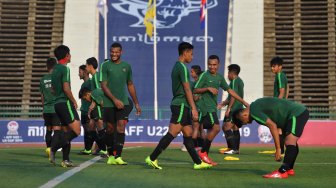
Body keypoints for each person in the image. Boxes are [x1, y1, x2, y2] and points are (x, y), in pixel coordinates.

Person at [145, 42, 212, 170]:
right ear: (185, 52)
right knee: (172, 133)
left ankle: (198, 163)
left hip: (182, 104)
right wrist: (193, 108)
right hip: (181, 104)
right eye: (191, 54)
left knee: (188, 134)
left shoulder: (177, 66)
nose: (192, 57)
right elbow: (187, 89)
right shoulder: (182, 68)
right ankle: (152, 158)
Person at [231, 97, 309, 178]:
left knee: (290, 142)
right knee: (291, 142)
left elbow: (272, 125)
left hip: (296, 113)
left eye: (243, 122)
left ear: (244, 115)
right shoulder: (255, 106)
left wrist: (278, 149)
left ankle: (282, 171)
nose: (247, 123)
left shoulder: (254, 111)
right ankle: (289, 168)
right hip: (295, 114)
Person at [193, 55, 249, 165]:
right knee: (216, 128)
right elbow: (195, 89)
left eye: (214, 65)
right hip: (205, 108)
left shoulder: (219, 77)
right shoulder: (204, 75)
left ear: (218, 65)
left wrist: (244, 102)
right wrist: (208, 88)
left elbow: (231, 92)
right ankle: (202, 151)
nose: (212, 67)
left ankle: (203, 155)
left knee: (208, 129)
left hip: (212, 108)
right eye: (210, 64)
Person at [100, 42, 141, 165]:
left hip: (122, 102)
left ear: (121, 52)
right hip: (108, 102)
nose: (114, 54)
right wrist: (114, 100)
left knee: (121, 126)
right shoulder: (105, 66)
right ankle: (110, 154)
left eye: (117, 52)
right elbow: (103, 85)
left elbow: (130, 85)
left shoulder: (127, 66)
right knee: (110, 129)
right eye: (112, 52)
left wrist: (136, 103)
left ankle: (118, 156)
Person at [50, 45, 81, 167]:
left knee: (66, 131)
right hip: (64, 102)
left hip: (57, 104)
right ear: (67, 55)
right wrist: (73, 100)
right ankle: (53, 148)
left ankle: (66, 159)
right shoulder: (64, 69)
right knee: (76, 130)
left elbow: (53, 90)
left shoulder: (55, 70)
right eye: (70, 54)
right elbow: (66, 88)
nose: (71, 56)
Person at [217, 64, 244, 154]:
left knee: (225, 127)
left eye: (228, 73)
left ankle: (233, 148)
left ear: (232, 73)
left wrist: (229, 109)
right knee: (235, 128)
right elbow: (230, 98)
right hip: (239, 108)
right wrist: (222, 104)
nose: (228, 75)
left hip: (234, 108)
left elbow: (233, 96)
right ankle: (234, 149)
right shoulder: (240, 81)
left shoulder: (234, 82)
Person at [39, 58, 62, 158]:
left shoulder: (42, 79)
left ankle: (48, 148)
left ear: (46, 67)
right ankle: (53, 150)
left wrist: (43, 108)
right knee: (57, 130)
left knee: (48, 130)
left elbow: (42, 96)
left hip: (47, 109)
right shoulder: (57, 78)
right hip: (56, 109)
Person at [181, 65, 205, 152]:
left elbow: (195, 97)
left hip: (197, 108)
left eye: (192, 72)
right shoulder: (202, 83)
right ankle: (201, 146)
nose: (190, 73)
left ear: (196, 73)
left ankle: (190, 146)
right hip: (202, 109)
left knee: (195, 128)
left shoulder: (196, 84)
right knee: (200, 128)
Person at [85, 57, 106, 155]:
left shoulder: (96, 76)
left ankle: (106, 149)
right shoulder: (94, 77)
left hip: (98, 106)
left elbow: (99, 91)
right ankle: (100, 147)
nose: (85, 68)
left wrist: (96, 104)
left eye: (86, 66)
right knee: (92, 127)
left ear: (90, 66)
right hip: (96, 105)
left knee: (99, 126)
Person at [271, 56, 289, 155]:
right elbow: (288, 88)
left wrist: (277, 104)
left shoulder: (279, 76)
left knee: (277, 129)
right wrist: (285, 100)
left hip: (279, 105)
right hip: (283, 104)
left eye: (274, 66)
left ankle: (281, 150)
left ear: (280, 66)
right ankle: (283, 150)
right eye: (271, 66)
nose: (272, 68)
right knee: (280, 128)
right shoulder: (283, 75)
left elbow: (282, 91)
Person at [78, 64, 93, 155]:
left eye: (80, 72)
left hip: (88, 111)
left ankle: (102, 148)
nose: (78, 74)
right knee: (87, 131)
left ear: (85, 72)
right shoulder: (84, 84)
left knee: (90, 131)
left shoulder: (90, 83)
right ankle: (87, 149)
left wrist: (90, 111)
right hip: (84, 110)